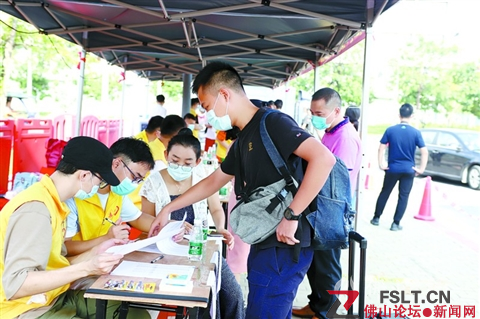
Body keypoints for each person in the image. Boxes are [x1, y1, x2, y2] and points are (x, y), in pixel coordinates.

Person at [148, 61, 336, 318]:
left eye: (206, 106)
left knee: (265, 310)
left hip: (284, 240)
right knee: (264, 307)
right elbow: (214, 181)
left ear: (224, 94)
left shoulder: (273, 123)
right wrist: (170, 207)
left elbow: (324, 159)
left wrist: (292, 215)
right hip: (264, 237)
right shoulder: (244, 136)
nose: (206, 115)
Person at [0, 136, 149, 319]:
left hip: (53, 295)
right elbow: (17, 285)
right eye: (100, 181)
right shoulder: (36, 209)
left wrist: (96, 251)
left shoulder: (55, 203)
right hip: (23, 308)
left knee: (136, 315)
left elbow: (57, 263)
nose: (99, 187)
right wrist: (87, 267)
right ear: (85, 175)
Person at [140, 131, 244, 319]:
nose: (180, 166)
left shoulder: (204, 178)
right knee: (192, 299)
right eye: (175, 160)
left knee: (232, 294)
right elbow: (146, 222)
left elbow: (216, 209)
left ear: (197, 161)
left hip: (201, 248)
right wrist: (168, 229)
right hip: (166, 253)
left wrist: (220, 227)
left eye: (187, 163)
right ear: (166, 156)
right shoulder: (153, 182)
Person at [293, 88, 362, 319]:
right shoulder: (331, 132)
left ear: (336, 111)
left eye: (319, 113)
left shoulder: (346, 137)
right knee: (316, 264)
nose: (315, 117)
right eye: (312, 112)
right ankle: (316, 304)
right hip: (320, 207)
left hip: (332, 210)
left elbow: (336, 176)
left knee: (328, 267)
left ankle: (327, 313)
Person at [64, 137, 155, 257]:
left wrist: (170, 226)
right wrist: (107, 238)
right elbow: (65, 248)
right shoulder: (79, 193)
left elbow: (137, 218)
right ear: (116, 163)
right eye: (135, 177)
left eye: (139, 180)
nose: (135, 184)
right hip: (78, 265)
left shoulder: (116, 193)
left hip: (102, 261)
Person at [371, 103, 428, 231]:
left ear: (399, 115)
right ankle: (395, 224)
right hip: (409, 170)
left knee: (385, 192)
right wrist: (421, 169)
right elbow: (424, 151)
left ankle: (376, 218)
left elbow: (381, 147)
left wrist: (381, 163)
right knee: (403, 196)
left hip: (392, 168)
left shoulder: (390, 130)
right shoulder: (415, 132)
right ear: (412, 116)